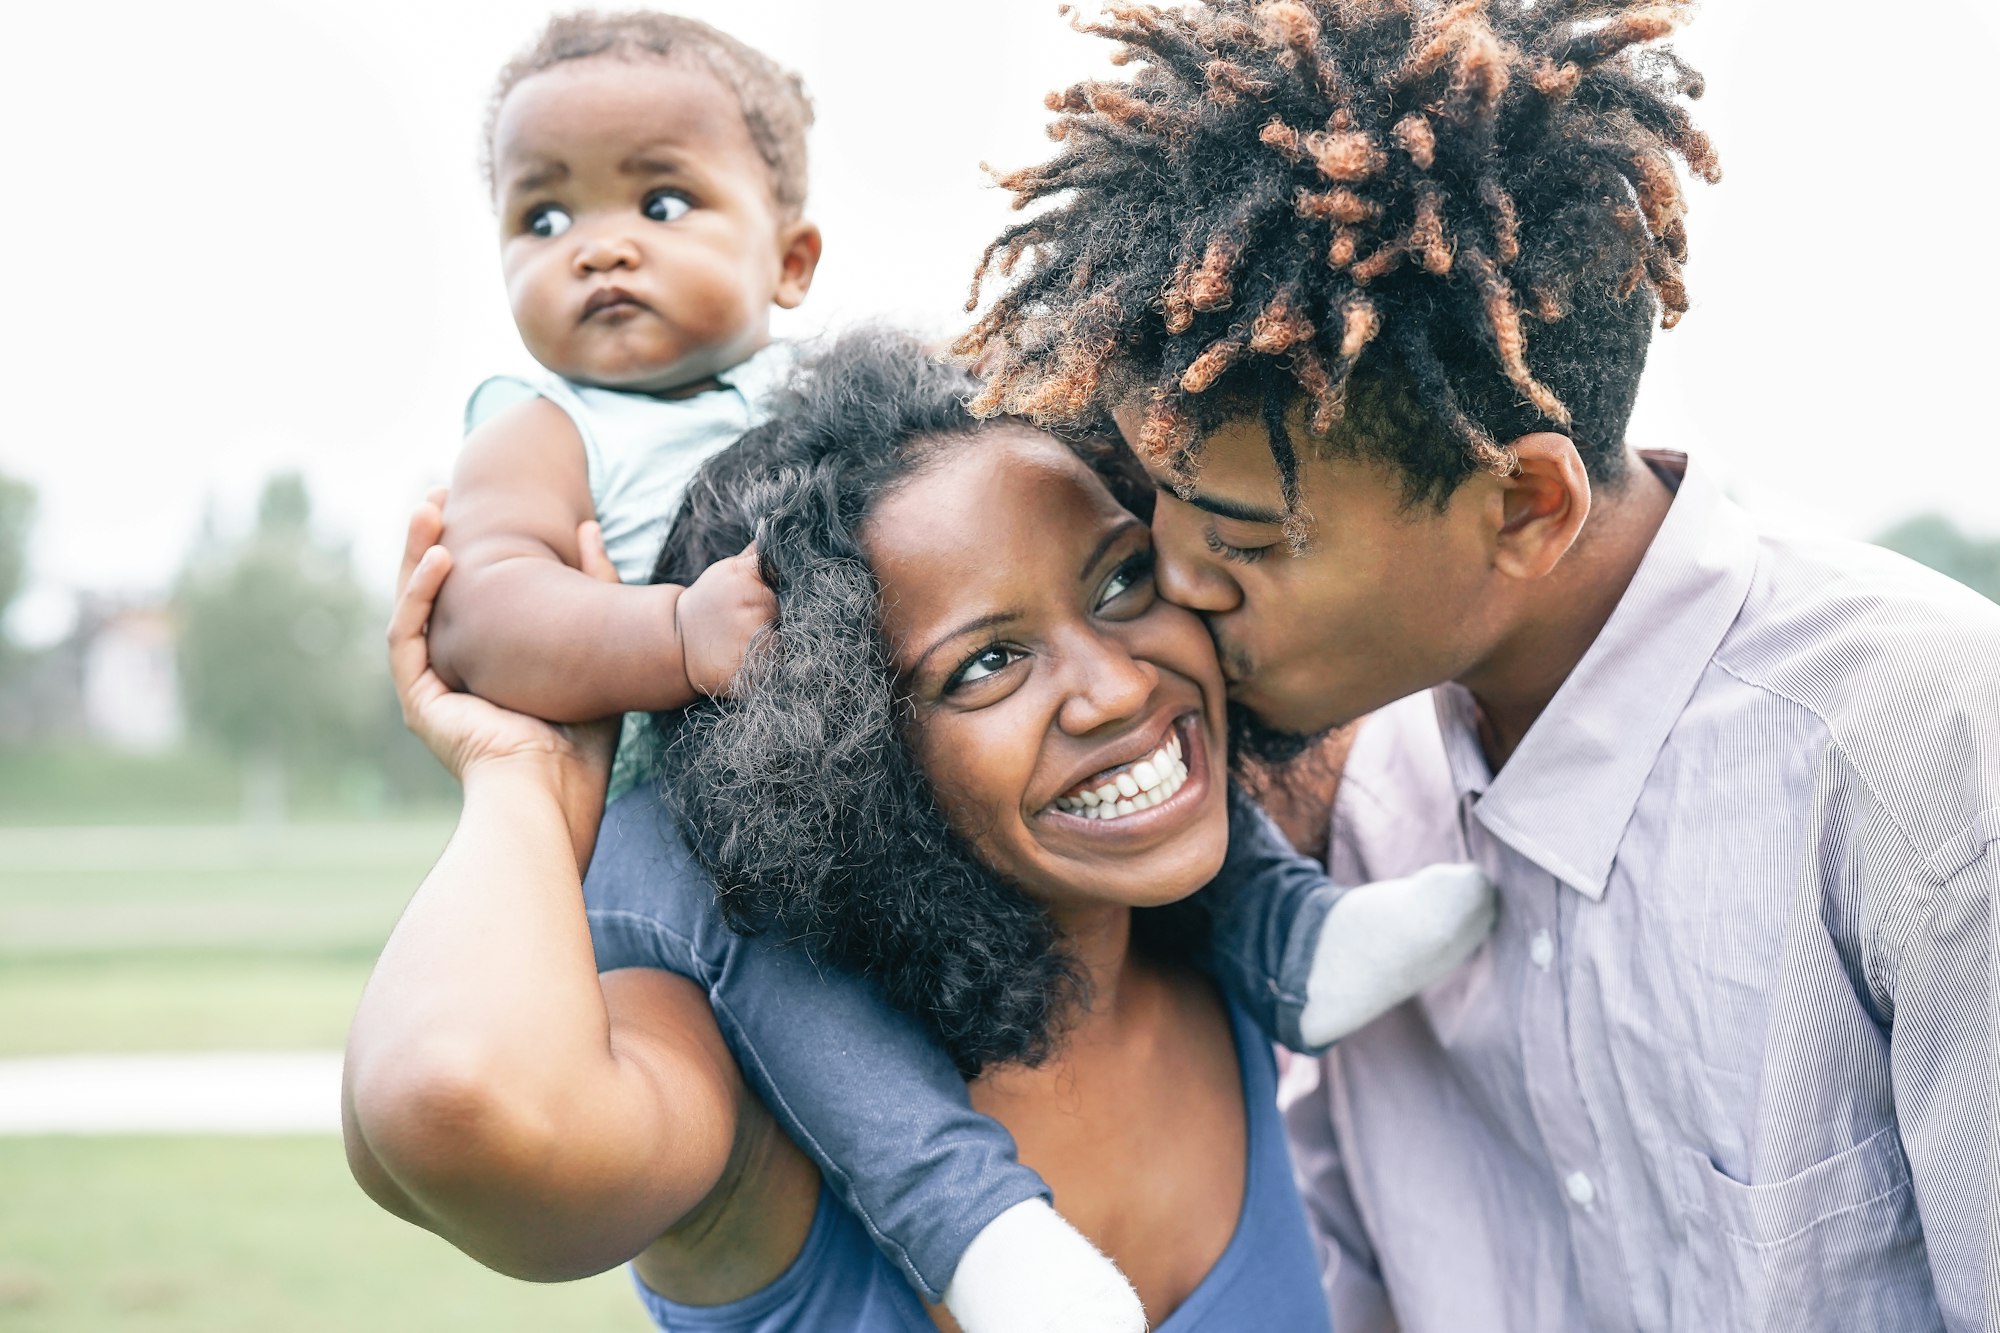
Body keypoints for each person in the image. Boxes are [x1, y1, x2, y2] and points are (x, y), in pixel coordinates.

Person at [955, 1, 2000, 1329]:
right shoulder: (1350, 792)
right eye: (1158, 501)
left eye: (1242, 537)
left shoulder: (1927, 763)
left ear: (1525, 509)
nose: (1176, 581)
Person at [343, 330, 1467, 1331]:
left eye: (1122, 581)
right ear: (845, 756)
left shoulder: (1216, 947)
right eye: (985, 663)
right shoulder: (751, 1107)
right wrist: (519, 779)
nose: (1115, 690)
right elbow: (455, 1096)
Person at [427, 11, 816, 796]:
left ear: (790, 261)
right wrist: (674, 634)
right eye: (546, 217)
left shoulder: (833, 385)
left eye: (662, 203)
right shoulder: (544, 429)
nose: (598, 247)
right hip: (659, 820)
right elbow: (478, 616)